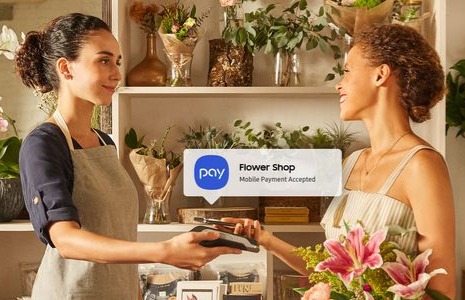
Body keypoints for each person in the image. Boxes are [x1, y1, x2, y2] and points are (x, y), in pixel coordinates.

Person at [15, 13, 241, 299]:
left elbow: (118, 233)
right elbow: (67, 240)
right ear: (66, 68)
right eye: (104, 60)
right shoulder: (44, 145)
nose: (116, 73)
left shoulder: (104, 141)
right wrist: (164, 251)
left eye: (118, 61)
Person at [224, 24, 456, 298]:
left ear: (380, 75)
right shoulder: (352, 162)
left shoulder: (421, 165)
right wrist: (266, 240)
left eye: (347, 72)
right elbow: (334, 273)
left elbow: (443, 292)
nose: (339, 84)